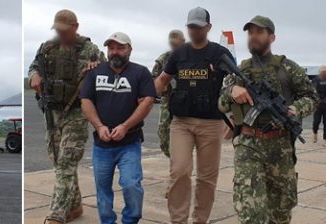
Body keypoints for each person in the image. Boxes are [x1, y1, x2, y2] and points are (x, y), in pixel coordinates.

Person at [218, 15, 317, 223]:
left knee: (281, 212)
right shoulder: (240, 70)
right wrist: (232, 91)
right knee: (251, 213)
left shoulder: (288, 68)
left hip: (281, 145)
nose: (253, 36)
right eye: (250, 32)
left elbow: (312, 97)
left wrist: (295, 109)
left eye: (259, 32)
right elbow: (221, 103)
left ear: (271, 37)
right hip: (248, 144)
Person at [153, 7, 234, 223]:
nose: (194, 30)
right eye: (191, 26)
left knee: (207, 178)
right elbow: (162, 80)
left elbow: (236, 84)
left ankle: (200, 220)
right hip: (182, 123)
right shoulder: (179, 54)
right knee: (179, 171)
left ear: (208, 27)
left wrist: (235, 118)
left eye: (198, 27)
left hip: (211, 124)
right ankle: (178, 220)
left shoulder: (220, 54)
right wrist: (141, 95)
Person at [28, 9, 105, 224]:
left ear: (75, 27)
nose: (60, 34)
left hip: (77, 112)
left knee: (66, 163)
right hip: (52, 113)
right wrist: (34, 75)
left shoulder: (91, 50)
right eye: (58, 30)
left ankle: (56, 214)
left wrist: (96, 70)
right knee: (58, 161)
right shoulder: (47, 48)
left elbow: (107, 75)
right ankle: (75, 205)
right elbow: (33, 66)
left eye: (64, 30)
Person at [80, 32, 155, 224]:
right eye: (111, 48)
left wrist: (125, 126)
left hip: (129, 143)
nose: (115, 52)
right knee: (102, 190)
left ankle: (130, 220)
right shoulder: (94, 72)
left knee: (131, 185)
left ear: (129, 49)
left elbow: (148, 101)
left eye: (120, 48)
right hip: (101, 145)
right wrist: (99, 126)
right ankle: (107, 221)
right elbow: (86, 100)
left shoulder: (141, 72)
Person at [151, 30, 186, 158]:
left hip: (187, 102)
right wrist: (161, 84)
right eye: (172, 44)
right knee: (163, 133)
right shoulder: (164, 59)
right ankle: (172, 157)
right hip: (168, 100)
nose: (174, 46)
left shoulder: (191, 56)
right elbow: (153, 79)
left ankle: (181, 158)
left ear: (183, 41)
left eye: (177, 44)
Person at [312, 65, 326, 143]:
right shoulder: (315, 80)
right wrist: (318, 99)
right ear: (319, 72)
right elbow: (313, 91)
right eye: (322, 71)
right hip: (318, 105)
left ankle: (325, 139)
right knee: (316, 121)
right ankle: (315, 134)